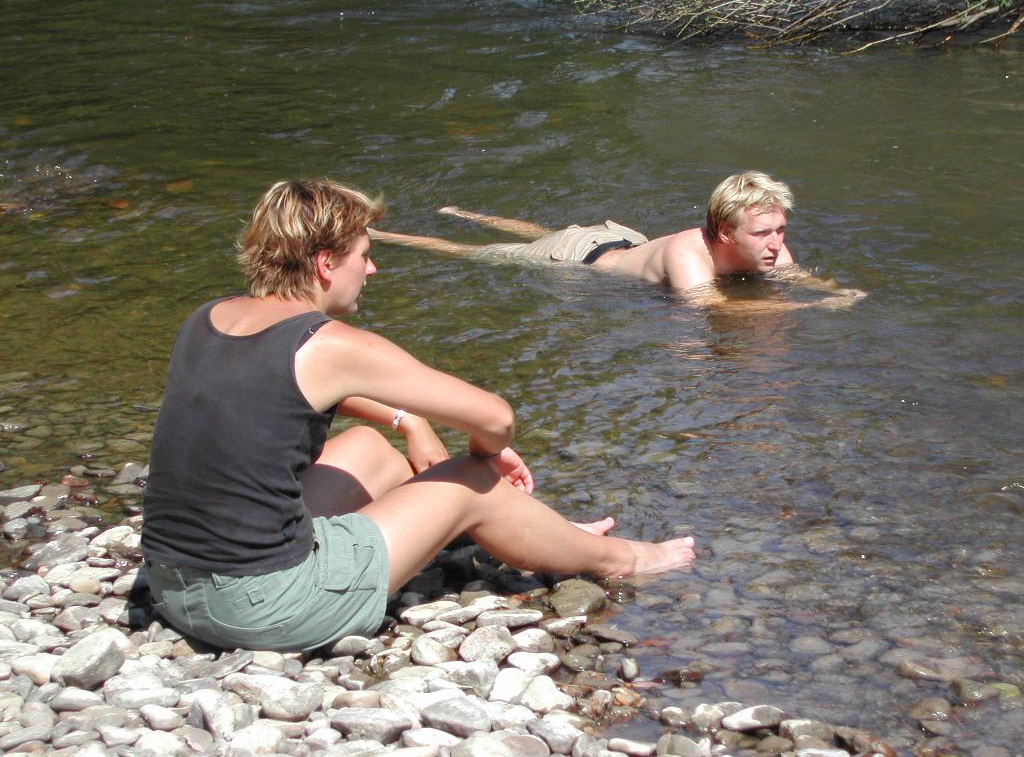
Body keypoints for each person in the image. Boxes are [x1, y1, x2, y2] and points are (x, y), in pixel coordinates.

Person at [141, 178, 696, 652]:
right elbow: (496, 417)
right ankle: (618, 556)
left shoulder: (210, 318)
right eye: (364, 255)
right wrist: (484, 462)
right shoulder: (332, 344)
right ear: (325, 264)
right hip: (265, 606)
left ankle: (532, 532)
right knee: (467, 484)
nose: (373, 268)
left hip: (176, 586)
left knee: (366, 450)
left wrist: (411, 422)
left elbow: (288, 390)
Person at [370, 171, 865, 307]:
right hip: (577, 257)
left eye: (780, 229)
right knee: (474, 254)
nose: (776, 242)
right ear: (722, 233)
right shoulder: (688, 255)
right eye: (763, 232)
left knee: (548, 228)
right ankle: (382, 233)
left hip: (626, 239)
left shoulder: (768, 242)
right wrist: (807, 309)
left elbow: (796, 276)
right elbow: (712, 309)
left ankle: (464, 210)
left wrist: (834, 291)